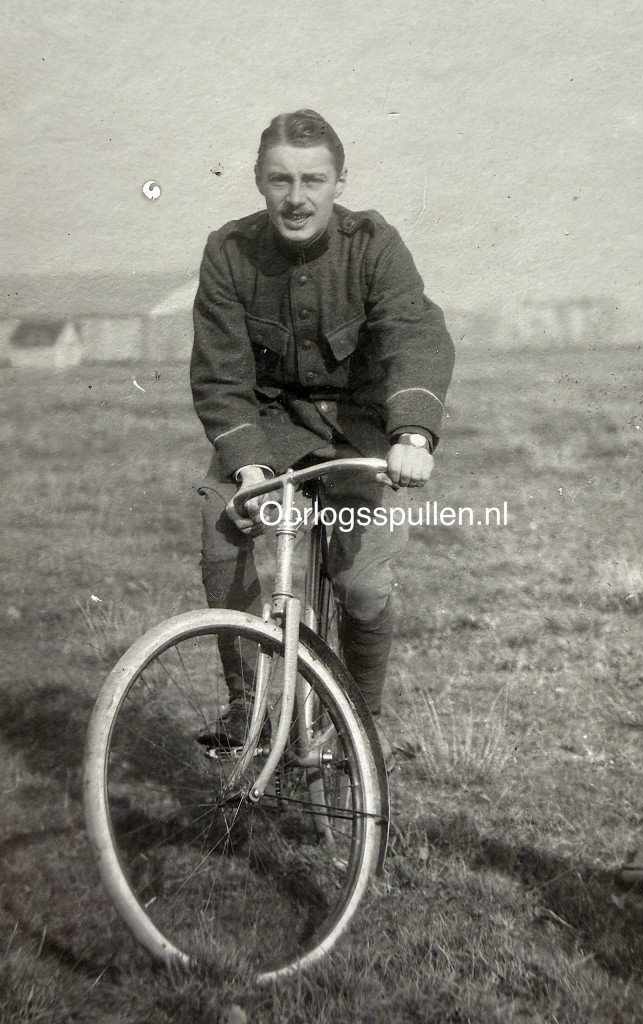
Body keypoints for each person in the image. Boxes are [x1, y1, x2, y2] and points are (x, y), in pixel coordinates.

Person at [190, 109, 454, 763]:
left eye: (314, 179)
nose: (297, 198)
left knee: (363, 584)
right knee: (221, 521)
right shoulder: (229, 252)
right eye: (281, 180)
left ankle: (363, 722)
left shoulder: (374, 244)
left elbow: (411, 332)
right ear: (258, 181)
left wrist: (413, 436)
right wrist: (248, 467)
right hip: (273, 425)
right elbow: (222, 375)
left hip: (359, 429)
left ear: (340, 181)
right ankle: (244, 703)